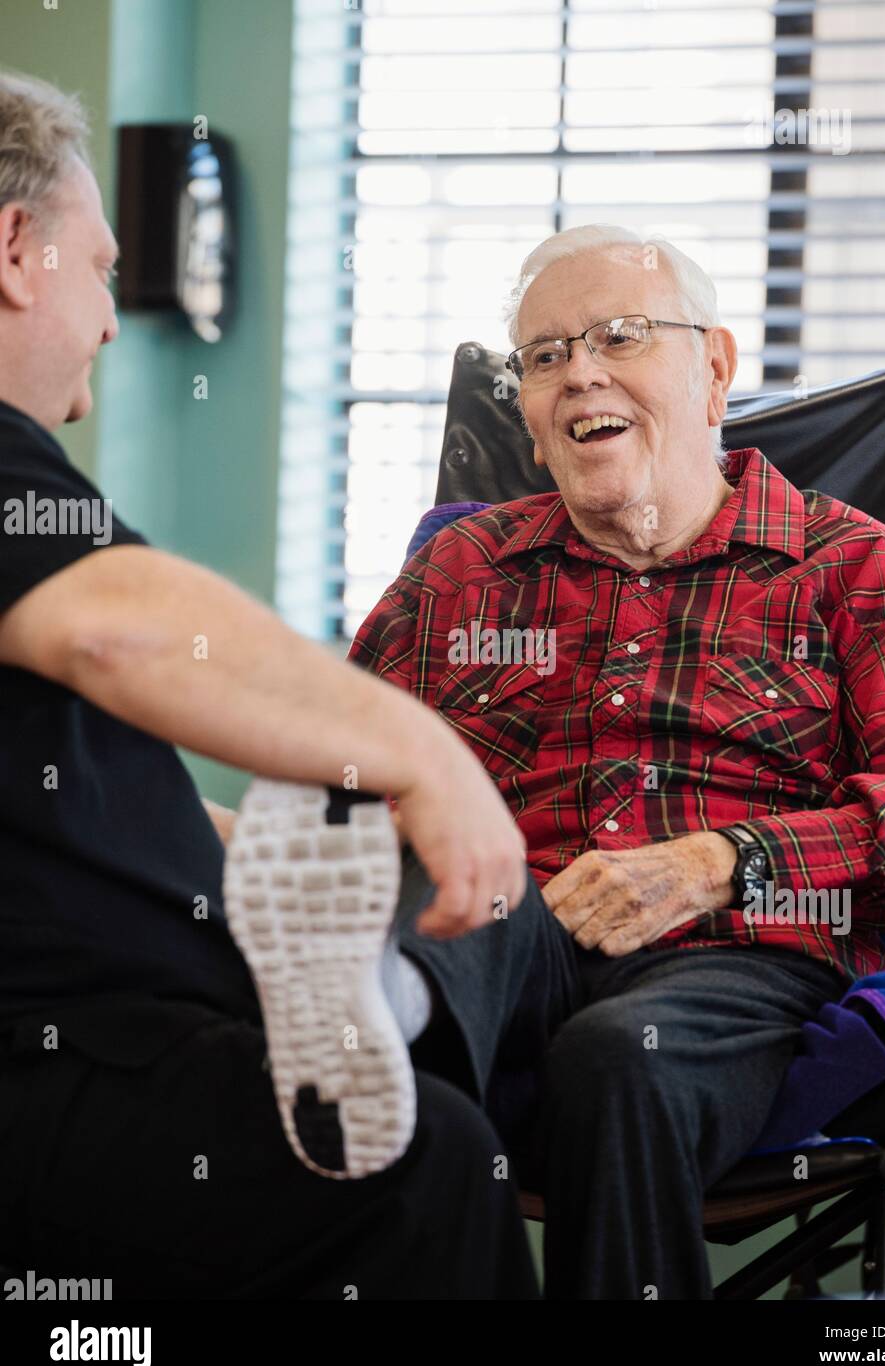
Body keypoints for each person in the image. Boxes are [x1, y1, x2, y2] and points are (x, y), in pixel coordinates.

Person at [346, 223, 885, 1298]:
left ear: (713, 368)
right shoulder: (460, 570)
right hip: (508, 930)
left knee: (618, 1058)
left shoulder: (847, 566)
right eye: (545, 355)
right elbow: (341, 776)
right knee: (411, 969)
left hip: (735, 953)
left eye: (618, 335)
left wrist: (718, 860)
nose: (579, 373)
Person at [0, 69, 536, 1300]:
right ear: (16, 253)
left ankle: (385, 996)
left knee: (480, 985)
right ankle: (389, 1008)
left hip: (107, 1018)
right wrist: (425, 755)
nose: (105, 318)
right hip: (56, 1058)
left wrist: (224, 842)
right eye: (98, 268)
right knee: (418, 1171)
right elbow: (123, 630)